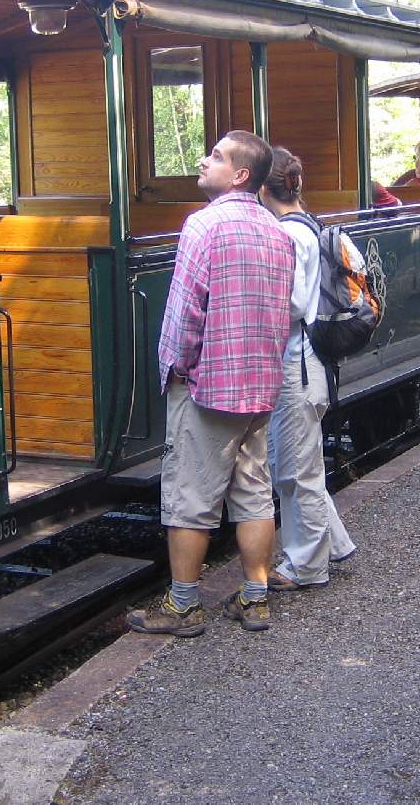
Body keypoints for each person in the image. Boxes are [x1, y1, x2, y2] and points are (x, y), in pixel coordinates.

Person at [125, 131, 295, 637]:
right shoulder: (276, 230)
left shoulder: (202, 226)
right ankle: (256, 598)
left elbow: (185, 313)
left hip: (208, 386)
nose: (205, 160)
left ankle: (182, 607)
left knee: (189, 497)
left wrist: (176, 366)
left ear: (240, 175)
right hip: (261, 384)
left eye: (217, 157)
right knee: (254, 493)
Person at [258, 148, 357, 590]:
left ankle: (306, 566)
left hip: (298, 364)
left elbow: (296, 303)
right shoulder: (307, 223)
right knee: (298, 462)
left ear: (263, 187)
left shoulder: (288, 234)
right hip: (308, 363)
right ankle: (330, 545)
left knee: (296, 470)